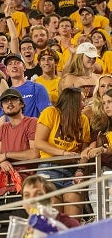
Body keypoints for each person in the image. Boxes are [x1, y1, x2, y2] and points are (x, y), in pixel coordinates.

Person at [35, 87, 93, 216]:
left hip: (72, 170)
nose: (85, 104)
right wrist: (63, 153)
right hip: (49, 168)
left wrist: (80, 169)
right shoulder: (51, 112)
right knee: (53, 223)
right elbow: (39, 142)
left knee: (73, 221)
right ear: (72, 101)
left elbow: (83, 151)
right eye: (82, 100)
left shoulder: (83, 120)